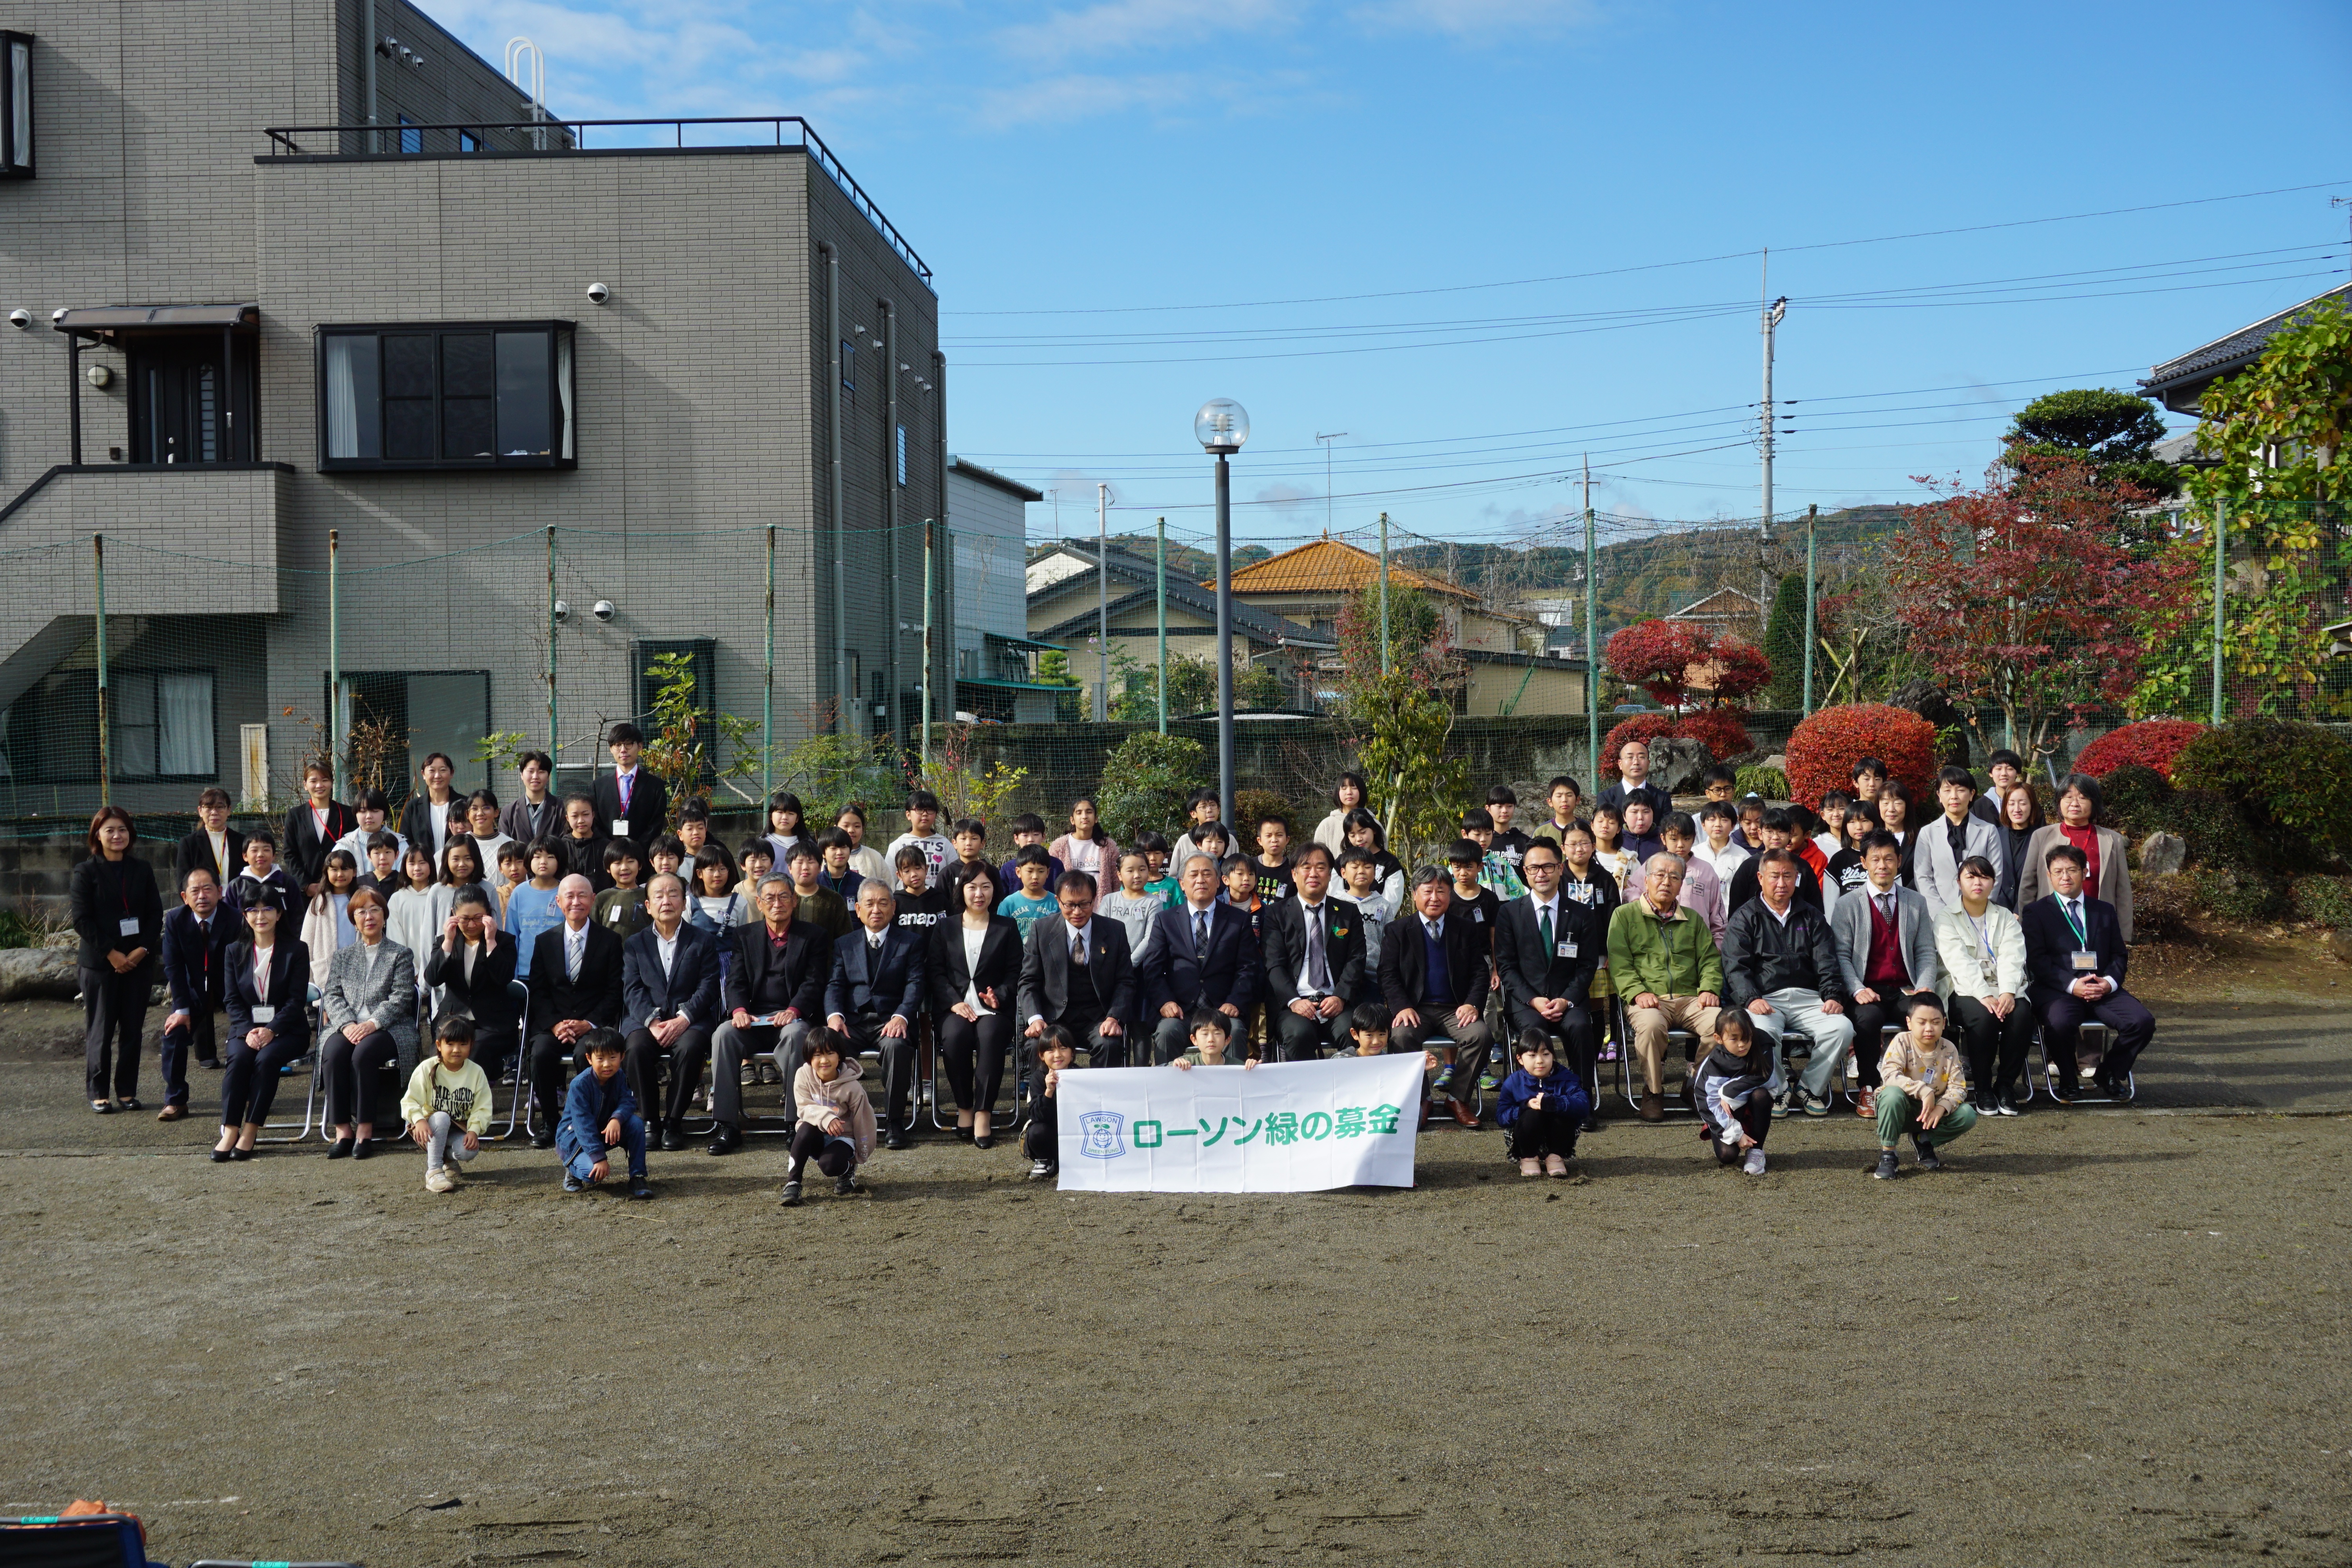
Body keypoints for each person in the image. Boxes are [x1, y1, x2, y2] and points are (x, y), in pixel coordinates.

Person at [1719, 848, 1855, 1118]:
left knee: (1842, 1028)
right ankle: (1778, 1089)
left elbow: (1827, 960)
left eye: (1787, 876)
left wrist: (1832, 996)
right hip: (1766, 998)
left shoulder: (1811, 916)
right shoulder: (1745, 917)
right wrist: (1751, 999)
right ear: (1760, 878)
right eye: (1774, 876)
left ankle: (1808, 1088)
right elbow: (1735, 966)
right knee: (1759, 1030)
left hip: (1809, 998)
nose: (1781, 883)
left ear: (1797, 878)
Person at [706, 875, 833, 1152]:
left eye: (784, 897)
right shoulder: (745, 935)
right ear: (760, 903)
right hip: (752, 1020)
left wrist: (794, 1010)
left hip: (791, 1017)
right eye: (771, 899)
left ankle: (794, 1123)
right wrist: (738, 1010)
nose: (778, 904)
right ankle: (728, 1125)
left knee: (797, 1034)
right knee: (723, 1035)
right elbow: (735, 981)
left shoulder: (813, 936)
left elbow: (814, 982)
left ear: (794, 901)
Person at [2022, 843, 2154, 1100]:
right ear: (2049, 876)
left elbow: (2119, 954)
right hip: (2059, 991)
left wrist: (2108, 983)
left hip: (2102, 988)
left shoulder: (2103, 910)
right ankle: (2068, 1078)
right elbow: (2037, 960)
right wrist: (2073, 985)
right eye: (2058, 871)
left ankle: (2108, 1073)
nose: (2065, 877)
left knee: (2142, 1022)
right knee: (2059, 1023)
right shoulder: (2036, 912)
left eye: (2072, 870)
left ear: (2085, 873)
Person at [1828, 831, 1945, 1118]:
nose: (1883, 865)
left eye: (1889, 859)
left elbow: (1926, 951)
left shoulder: (1915, 902)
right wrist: (1856, 988)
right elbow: (1841, 955)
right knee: (1867, 1020)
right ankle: (1869, 1086)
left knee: (1927, 1016)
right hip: (1867, 987)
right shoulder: (1848, 904)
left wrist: (1925, 988)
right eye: (1876, 859)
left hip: (1906, 986)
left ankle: (1919, 1085)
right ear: (1864, 863)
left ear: (1900, 862)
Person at [1606, 855, 1724, 1121]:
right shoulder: (1624, 916)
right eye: (1659, 875)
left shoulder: (1693, 919)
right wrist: (1637, 992)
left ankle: (1695, 1085)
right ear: (1646, 879)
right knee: (1650, 1027)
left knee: (1723, 1024)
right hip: (1649, 998)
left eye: (1674, 877)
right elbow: (1620, 962)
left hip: (1691, 998)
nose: (1666, 882)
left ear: (1682, 883)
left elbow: (1709, 960)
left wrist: (1709, 988)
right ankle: (1653, 1091)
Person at [1376, 867, 1494, 1129]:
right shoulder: (1398, 930)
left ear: (1450, 895)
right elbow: (1387, 973)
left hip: (1455, 1008)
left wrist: (1472, 1003)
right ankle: (1422, 1100)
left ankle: (1458, 1099)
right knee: (1400, 1037)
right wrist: (1402, 1007)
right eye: (1428, 891)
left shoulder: (1465, 929)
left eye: (1441, 891)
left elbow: (1479, 971)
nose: (1434, 897)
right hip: (1415, 1009)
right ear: (1415, 895)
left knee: (1481, 1036)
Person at [1494, 837, 1603, 1121]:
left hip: (1568, 999)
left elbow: (1587, 965)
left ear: (1560, 867)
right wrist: (1534, 1000)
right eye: (1532, 869)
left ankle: (1581, 1097)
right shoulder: (1509, 913)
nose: (1540, 874)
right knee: (1534, 1034)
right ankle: (1530, 1100)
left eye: (1547, 867)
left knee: (1581, 1028)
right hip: (1526, 1002)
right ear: (1526, 873)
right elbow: (1506, 967)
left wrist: (1566, 999)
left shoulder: (1581, 914)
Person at [71, 806, 164, 1115]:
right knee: (101, 1028)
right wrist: (112, 954)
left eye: (122, 829)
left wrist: (141, 951)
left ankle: (127, 1091)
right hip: (100, 964)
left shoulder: (142, 869)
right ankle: (99, 1092)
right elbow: (81, 920)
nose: (117, 835)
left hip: (138, 963)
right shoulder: (86, 872)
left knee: (133, 1030)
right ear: (97, 834)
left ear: (130, 834)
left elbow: (154, 914)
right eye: (110, 830)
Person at [620, 873, 723, 1151]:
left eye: (673, 894)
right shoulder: (634, 944)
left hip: (690, 1019)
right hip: (645, 1020)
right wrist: (652, 1022)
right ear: (648, 905)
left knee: (691, 1049)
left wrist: (684, 1018)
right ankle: (651, 1121)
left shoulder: (703, 941)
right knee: (637, 1049)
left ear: (685, 901)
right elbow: (632, 990)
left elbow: (709, 987)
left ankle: (674, 1121)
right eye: (659, 896)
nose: (667, 901)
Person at [524, 874, 627, 1145]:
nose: (576, 902)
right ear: (558, 902)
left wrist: (589, 1024)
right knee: (541, 1054)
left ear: (593, 900)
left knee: (589, 1055)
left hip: (593, 1025)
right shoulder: (544, 941)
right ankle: (550, 1123)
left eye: (583, 896)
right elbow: (538, 991)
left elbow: (614, 992)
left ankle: (590, 1123)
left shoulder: (610, 941)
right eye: (569, 896)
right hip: (554, 1025)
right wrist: (556, 1025)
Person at [826, 880, 928, 1146]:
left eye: (884, 903)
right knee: (829, 1046)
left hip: (891, 1021)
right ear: (858, 909)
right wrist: (835, 1016)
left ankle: (894, 1122)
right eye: (869, 904)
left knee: (896, 1047)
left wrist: (902, 1016)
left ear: (894, 908)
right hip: (853, 1022)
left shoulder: (911, 942)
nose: (876, 910)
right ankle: (838, 1120)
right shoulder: (844, 944)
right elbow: (835, 984)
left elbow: (916, 984)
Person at [318, 885, 417, 1158]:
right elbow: (333, 995)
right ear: (354, 920)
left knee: (363, 1055)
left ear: (384, 917)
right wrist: (348, 1024)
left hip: (389, 1028)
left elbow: (401, 998)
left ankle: (365, 1130)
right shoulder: (343, 956)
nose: (369, 916)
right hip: (348, 1025)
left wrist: (372, 1024)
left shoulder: (400, 954)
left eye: (375, 910)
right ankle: (342, 1131)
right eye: (362, 912)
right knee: (334, 1053)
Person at [929, 863, 1022, 1146]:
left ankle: (984, 1112)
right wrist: (953, 1002)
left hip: (994, 1009)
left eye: (986, 887)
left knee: (991, 1037)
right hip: (954, 1008)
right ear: (962, 890)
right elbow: (935, 971)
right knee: (955, 1038)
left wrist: (1000, 996)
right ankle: (965, 1108)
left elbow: (1016, 971)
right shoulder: (945, 927)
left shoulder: (1007, 927)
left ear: (995, 890)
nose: (979, 894)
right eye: (972, 887)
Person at [1142, 853, 1263, 1065]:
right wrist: (1165, 1001)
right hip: (1180, 1011)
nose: (1200, 880)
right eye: (1194, 875)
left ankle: (1234, 1094)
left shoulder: (1239, 920)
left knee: (1234, 1030)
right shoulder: (1165, 920)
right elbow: (1152, 967)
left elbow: (1249, 967)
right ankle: (1169, 1096)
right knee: (1167, 1032)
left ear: (1218, 882)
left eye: (1207, 874)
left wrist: (1235, 1001)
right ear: (1182, 883)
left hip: (1223, 1009)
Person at [213, 897, 310, 1161]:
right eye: (253, 910)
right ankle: (231, 1129)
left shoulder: (297, 950)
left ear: (279, 914)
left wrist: (271, 1030)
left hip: (288, 1030)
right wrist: (249, 1031)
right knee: (240, 1057)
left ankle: (251, 1128)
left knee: (267, 1059)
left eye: (268, 909)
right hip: (246, 1029)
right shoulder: (234, 950)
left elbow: (296, 1000)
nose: (261, 916)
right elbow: (231, 1000)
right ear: (245, 916)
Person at [1019, 867, 1141, 1078]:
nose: (1077, 912)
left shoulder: (1115, 931)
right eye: (1070, 905)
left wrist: (1114, 1018)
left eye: (1084, 904)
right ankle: (1046, 1104)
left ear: (1094, 900)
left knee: (1110, 1043)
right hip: (1055, 1018)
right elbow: (1029, 981)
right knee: (1037, 1043)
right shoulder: (1042, 930)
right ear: (1058, 901)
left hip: (1099, 1018)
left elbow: (1126, 981)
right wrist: (1035, 1018)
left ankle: (1103, 1104)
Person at [1935, 853, 2032, 1116]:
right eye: (1971, 876)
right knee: (1984, 1018)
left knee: (2022, 1015)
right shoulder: (1946, 917)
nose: (1978, 882)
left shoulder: (2005, 917)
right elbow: (1957, 962)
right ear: (1959, 882)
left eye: (1984, 877)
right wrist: (1983, 995)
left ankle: (2006, 1086)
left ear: (1993, 883)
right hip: (1963, 989)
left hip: (2004, 987)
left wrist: (2008, 992)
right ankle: (1982, 1087)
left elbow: (2013, 956)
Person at [1259, 843, 1367, 1062]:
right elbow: (1274, 965)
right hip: (1294, 1004)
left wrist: (1340, 997)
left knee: (1353, 1033)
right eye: (1306, 867)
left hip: (1336, 1002)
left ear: (1330, 875)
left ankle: (1349, 1094)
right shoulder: (1276, 914)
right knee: (1299, 1034)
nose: (1313, 874)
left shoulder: (1348, 912)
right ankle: (1306, 1095)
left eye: (1321, 867)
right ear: (1294, 874)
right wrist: (1294, 1001)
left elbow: (1356, 959)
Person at [2016, 773, 2134, 942]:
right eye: (2068, 797)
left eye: (2082, 798)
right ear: (2059, 802)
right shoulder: (2042, 836)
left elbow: (2123, 891)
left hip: (2099, 927)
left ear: (2094, 803)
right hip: (2051, 927)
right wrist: (2028, 928)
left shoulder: (2112, 840)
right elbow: (2028, 886)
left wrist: (2123, 937)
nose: (2074, 804)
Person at [1870, 993, 1977, 1179]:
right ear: (1909, 1022)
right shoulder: (1902, 1041)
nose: (1929, 1028)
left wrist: (1942, 1107)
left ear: (1944, 1023)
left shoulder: (1949, 1048)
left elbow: (1959, 1087)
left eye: (1935, 1022)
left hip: (1932, 1113)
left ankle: (1924, 1141)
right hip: (1901, 1109)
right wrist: (1922, 1090)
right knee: (1892, 1095)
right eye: (1922, 1022)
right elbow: (1889, 1075)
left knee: (1968, 1115)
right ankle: (1889, 1154)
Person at [157, 866, 234, 1120]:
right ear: (184, 897)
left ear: (220, 892)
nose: (202, 896)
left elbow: (243, 964)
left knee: (247, 1038)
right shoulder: (175, 920)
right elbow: (174, 966)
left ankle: (249, 1096)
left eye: (208, 889)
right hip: (192, 991)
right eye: (195, 891)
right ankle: (176, 1100)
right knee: (174, 1034)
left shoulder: (235, 919)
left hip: (230, 989)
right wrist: (181, 1009)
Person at [422, 887, 520, 1082]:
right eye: (464, 919)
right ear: (453, 915)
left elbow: (504, 978)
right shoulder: (444, 942)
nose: (472, 925)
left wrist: (491, 941)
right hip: (453, 1018)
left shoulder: (504, 941)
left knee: (474, 1050)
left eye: (478, 918)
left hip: (492, 1024)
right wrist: (448, 943)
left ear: (489, 915)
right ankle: (442, 1105)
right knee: (439, 1054)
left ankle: (474, 1103)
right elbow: (433, 979)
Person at [781, 1025, 877, 1205]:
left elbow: (864, 1122)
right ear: (809, 1058)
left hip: (843, 1138)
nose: (824, 1061)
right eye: (817, 1055)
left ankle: (847, 1169)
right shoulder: (803, 1075)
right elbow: (803, 1107)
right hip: (815, 1134)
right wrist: (826, 1118)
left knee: (829, 1166)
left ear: (839, 1056)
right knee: (804, 1128)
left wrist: (860, 1154)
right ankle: (793, 1183)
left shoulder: (853, 1088)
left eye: (830, 1054)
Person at [399, 1015, 493, 1193]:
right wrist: (418, 1120)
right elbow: (409, 1101)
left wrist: (474, 1130)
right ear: (439, 1045)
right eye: (450, 1044)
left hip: (458, 1129)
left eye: (463, 1044)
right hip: (428, 1128)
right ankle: (434, 1171)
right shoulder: (427, 1068)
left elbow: (483, 1107)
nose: (456, 1050)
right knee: (441, 1117)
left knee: (468, 1151)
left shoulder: (476, 1072)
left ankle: (448, 1161)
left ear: (471, 1045)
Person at [557, 1027, 651, 1199]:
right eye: (600, 1058)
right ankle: (572, 1170)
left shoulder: (620, 1075)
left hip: (605, 1130)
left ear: (622, 1056)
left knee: (636, 1124)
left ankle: (638, 1176)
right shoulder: (580, 1085)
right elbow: (583, 1126)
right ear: (589, 1059)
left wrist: (617, 1119)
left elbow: (628, 1101)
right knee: (592, 1176)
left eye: (613, 1058)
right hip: (576, 1139)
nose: (607, 1064)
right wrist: (599, 1158)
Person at [1496, 1029, 1589, 1180]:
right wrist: (1524, 1107)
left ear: (1553, 1055)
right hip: (1525, 1139)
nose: (1540, 1061)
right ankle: (1528, 1158)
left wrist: (1556, 1103)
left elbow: (1584, 1107)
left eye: (1546, 1054)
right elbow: (1501, 1118)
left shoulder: (1566, 1078)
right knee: (1532, 1114)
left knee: (1564, 1112)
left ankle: (1556, 1157)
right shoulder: (1514, 1082)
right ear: (1520, 1059)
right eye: (1532, 1055)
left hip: (1559, 1138)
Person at [1913, 766, 2005, 915]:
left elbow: (1996, 873)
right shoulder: (1927, 833)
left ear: (1971, 794)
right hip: (1939, 918)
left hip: (1980, 914)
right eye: (1947, 790)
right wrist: (1942, 914)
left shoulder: (1988, 831)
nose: (1954, 796)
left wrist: (1980, 907)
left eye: (1961, 790)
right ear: (1939, 795)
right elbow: (1923, 877)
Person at [1693, 1010, 1772, 1176]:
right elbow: (1709, 1104)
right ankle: (1739, 1138)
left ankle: (1757, 1152)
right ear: (1719, 1039)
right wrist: (1737, 1134)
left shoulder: (1762, 1043)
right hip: (1724, 1114)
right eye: (1734, 1039)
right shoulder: (1713, 1064)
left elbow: (1766, 1077)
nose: (1742, 1044)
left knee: (1762, 1095)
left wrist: (1728, 1092)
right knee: (1727, 1156)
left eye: (1746, 1037)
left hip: (1752, 1104)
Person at [1723, 809, 1828, 916]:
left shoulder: (1803, 867)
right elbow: (1736, 912)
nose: (1775, 837)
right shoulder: (1749, 867)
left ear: (1790, 834)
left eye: (1781, 832)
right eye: (1770, 832)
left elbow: (1816, 910)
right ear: (1760, 833)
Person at [592, 723, 667, 861]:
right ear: (611, 749)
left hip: (643, 858)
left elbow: (656, 824)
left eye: (628, 744)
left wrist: (637, 850)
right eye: (618, 745)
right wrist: (611, 850)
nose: (623, 750)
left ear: (640, 746)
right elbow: (595, 823)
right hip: (609, 858)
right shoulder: (599, 786)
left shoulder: (655, 786)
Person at [283, 760, 355, 898]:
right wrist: (305, 885)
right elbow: (290, 853)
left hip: (341, 888)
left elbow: (353, 850)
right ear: (305, 785)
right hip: (308, 893)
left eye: (325, 780)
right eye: (313, 781)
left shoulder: (347, 814)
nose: (319, 785)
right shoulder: (296, 815)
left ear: (332, 783)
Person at [1654, 811, 1725, 940]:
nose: (1681, 845)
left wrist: (1717, 947)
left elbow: (1717, 917)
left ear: (1694, 838)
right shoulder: (1653, 866)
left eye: (1686, 839)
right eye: (1674, 839)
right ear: (1664, 839)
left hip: (1697, 943)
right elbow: (1635, 897)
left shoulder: (1706, 871)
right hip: (1658, 943)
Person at [1023, 1025, 1078, 1180]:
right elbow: (1036, 1115)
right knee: (1037, 1132)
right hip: (1049, 1132)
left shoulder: (1080, 1076)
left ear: (1073, 1053)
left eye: (1063, 1049)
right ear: (1041, 1055)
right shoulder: (1038, 1078)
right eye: (1051, 1050)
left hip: (1074, 1132)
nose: (1058, 1055)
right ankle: (1044, 1160)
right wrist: (1049, 1092)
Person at [505, 840, 566, 979]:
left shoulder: (566, 891)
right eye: (537, 857)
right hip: (526, 974)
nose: (543, 862)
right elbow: (512, 935)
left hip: (559, 974)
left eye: (550, 857)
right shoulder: (520, 893)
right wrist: (513, 977)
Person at [385, 844, 440, 993]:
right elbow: (395, 940)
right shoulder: (397, 899)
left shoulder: (438, 894)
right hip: (408, 974)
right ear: (405, 867)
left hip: (438, 970)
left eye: (422, 863)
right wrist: (414, 971)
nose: (417, 868)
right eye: (412, 863)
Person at [1335, 848, 1398, 976]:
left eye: (1367, 867)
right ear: (1343, 873)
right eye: (1355, 867)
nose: (1361, 871)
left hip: (1374, 975)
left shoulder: (1383, 906)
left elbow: (1388, 943)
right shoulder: (1336, 904)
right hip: (1341, 974)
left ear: (1375, 873)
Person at [1097, 848, 1165, 966]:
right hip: (1110, 962)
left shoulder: (1154, 903)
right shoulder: (1109, 900)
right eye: (1130, 871)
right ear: (1120, 875)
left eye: (1142, 870)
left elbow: (1149, 938)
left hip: (1140, 966)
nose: (1137, 875)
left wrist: (1129, 964)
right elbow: (1099, 931)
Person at [222, 828, 300, 926]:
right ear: (245, 856)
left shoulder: (288, 883)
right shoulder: (236, 886)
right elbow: (228, 920)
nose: (260, 855)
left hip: (283, 941)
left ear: (274, 856)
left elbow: (298, 918)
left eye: (266, 850)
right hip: (245, 941)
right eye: (254, 850)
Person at [175, 787, 247, 892]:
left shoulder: (242, 841)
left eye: (220, 807)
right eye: (208, 808)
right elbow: (183, 883)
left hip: (237, 905)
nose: (214, 812)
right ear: (200, 811)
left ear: (229, 810)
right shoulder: (189, 843)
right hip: (205, 904)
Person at [299, 847, 362, 961]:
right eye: (334, 870)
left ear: (355, 872)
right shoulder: (320, 901)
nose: (340, 874)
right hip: (327, 968)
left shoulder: (363, 897)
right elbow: (307, 938)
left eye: (345, 869)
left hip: (359, 963)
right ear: (326, 872)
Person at [1991, 782, 2042, 912]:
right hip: (1998, 910)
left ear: (2032, 806)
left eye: (2023, 803)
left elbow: (2040, 880)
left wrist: (2019, 910)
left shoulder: (2042, 838)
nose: (2017, 809)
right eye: (2012, 803)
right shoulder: (1994, 836)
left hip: (2030, 911)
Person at [886, 788, 954, 884]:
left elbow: (954, 877)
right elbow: (889, 882)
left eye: (930, 810)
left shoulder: (945, 844)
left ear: (936, 815)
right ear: (908, 815)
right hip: (905, 899)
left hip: (938, 898)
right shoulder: (898, 845)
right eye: (919, 810)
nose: (925, 814)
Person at [1340, 809, 1406, 907]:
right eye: (1353, 835)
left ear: (1374, 830)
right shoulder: (1342, 861)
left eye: (1363, 832)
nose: (1359, 839)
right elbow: (1335, 897)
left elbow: (1391, 905)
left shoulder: (1390, 863)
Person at [1050, 795, 1120, 886]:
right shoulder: (1058, 847)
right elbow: (1052, 879)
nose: (1085, 817)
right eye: (1079, 813)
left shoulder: (1109, 846)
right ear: (1072, 820)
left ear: (1096, 819)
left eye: (1089, 812)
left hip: (1102, 900)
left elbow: (1117, 881)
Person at [331, 786, 406, 870]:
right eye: (363, 811)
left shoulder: (400, 843)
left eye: (375, 811)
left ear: (385, 813)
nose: (369, 816)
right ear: (355, 814)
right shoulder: (345, 846)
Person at [1596, 739, 1670, 822]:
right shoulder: (1607, 798)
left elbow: (1666, 830)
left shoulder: (1662, 798)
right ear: (1620, 764)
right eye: (1630, 757)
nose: (1636, 762)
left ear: (1649, 763)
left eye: (1641, 757)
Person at [1462, 809, 1528, 900]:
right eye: (1478, 834)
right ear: (1465, 834)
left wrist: (1506, 909)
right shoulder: (1459, 864)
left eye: (1488, 834)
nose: (1483, 839)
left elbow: (1519, 893)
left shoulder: (1502, 864)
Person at [1823, 799, 1880, 903]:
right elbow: (1830, 902)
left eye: (1865, 821)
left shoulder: (1885, 856)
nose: (1859, 827)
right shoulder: (1838, 860)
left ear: (1874, 823)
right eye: (1852, 822)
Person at [500, 750, 561, 846]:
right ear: (522, 775)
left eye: (541, 772)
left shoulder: (561, 809)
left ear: (549, 776)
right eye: (531, 771)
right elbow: (505, 848)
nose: (535, 777)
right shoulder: (508, 812)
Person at [998, 844, 1061, 937]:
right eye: (1030, 871)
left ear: (1048, 872)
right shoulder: (1008, 904)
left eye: (1041, 871)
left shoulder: (1057, 903)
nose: (1035, 877)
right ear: (1018, 872)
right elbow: (1001, 936)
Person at [593, 839, 649, 938]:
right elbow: (594, 932)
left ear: (640, 865)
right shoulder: (602, 898)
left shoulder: (648, 896)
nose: (624, 868)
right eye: (618, 863)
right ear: (608, 868)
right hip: (610, 952)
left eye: (631, 862)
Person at [1171, 1005, 1257, 1069]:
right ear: (1194, 1040)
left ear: (1227, 1039)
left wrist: (1254, 1068)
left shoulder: (1237, 1067)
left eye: (1217, 1034)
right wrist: (1174, 1065)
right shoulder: (1186, 1063)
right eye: (1205, 1034)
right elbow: (1161, 1071)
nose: (1211, 1040)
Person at [555, 793, 610, 890]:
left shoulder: (606, 846)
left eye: (586, 815)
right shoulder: (560, 847)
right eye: (575, 816)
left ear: (593, 815)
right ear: (567, 818)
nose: (581, 821)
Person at [1311, 772, 1370, 856]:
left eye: (1354, 788)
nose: (1349, 792)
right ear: (1337, 792)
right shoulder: (1327, 825)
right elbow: (1317, 856)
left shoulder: (1372, 822)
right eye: (1344, 788)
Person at [1169, 789, 1230, 869]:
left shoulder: (1230, 839)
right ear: (1194, 814)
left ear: (1219, 810)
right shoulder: (1185, 841)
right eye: (1203, 807)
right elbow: (1174, 877)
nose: (1209, 810)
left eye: (1213, 805)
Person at [1875, 780, 1918, 886]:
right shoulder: (1872, 839)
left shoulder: (1921, 839)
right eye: (1885, 803)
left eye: (1898, 803)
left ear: (1907, 806)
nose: (1891, 809)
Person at [1969, 749, 2026, 827]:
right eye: (1999, 769)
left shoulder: (2028, 803)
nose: (2004, 774)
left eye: (2010, 769)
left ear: (2018, 773)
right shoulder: (1979, 807)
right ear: (1991, 773)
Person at [1249, 815, 1298, 906]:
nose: (1274, 840)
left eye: (1279, 835)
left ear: (1287, 840)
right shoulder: (1250, 866)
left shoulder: (1293, 869)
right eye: (1269, 836)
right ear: (1260, 841)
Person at [835, 804, 890, 885]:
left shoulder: (874, 857)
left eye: (857, 826)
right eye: (846, 826)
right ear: (836, 828)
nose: (851, 830)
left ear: (863, 829)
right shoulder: (828, 856)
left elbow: (889, 887)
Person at [462, 789, 513, 875]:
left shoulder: (509, 844)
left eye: (486, 808)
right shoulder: (460, 844)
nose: (480, 813)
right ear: (468, 814)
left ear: (496, 812)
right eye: (474, 809)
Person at [1485, 784, 1533, 874]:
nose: (1505, 811)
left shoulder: (1524, 842)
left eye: (1510, 806)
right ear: (1488, 809)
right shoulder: (1483, 841)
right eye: (1499, 807)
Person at [1530, 775, 1585, 851]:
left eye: (1569, 795)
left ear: (1578, 800)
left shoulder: (1588, 829)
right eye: (1559, 796)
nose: (1564, 800)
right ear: (1550, 802)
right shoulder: (1541, 832)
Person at [1590, 805, 1637, 891]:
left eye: (1611, 823)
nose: (1605, 826)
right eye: (1600, 821)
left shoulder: (1630, 860)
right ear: (1592, 826)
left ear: (1619, 829)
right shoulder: (1585, 855)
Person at [761, 790, 808, 866]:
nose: (785, 818)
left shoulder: (809, 845)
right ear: (771, 816)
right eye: (780, 812)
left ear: (797, 818)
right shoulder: (761, 845)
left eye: (791, 814)